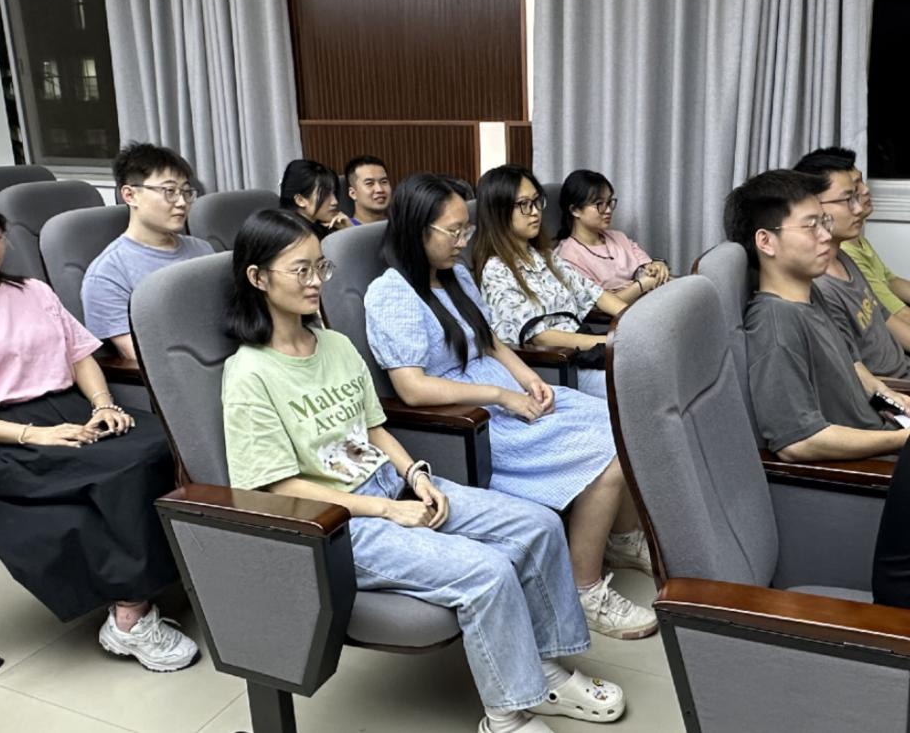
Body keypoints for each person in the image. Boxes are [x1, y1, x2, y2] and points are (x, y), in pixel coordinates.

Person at [221, 208, 627, 732]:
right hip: (339, 524)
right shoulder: (249, 374)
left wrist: (416, 477)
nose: (317, 281)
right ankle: (506, 716)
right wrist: (388, 510)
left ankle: (543, 667)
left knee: (540, 525)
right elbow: (279, 486)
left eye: (321, 266)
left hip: (394, 487)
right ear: (258, 278)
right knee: (488, 572)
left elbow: (374, 430)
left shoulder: (335, 345)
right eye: (301, 270)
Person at [0, 186, 198, 671]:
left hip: (69, 410)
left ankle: (196, 568)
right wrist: (35, 435)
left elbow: (81, 356)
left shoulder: (31, 291)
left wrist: (103, 404)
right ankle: (130, 618)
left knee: (170, 443)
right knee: (125, 468)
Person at [363, 174, 657, 641]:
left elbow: (491, 340)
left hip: (503, 395)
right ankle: (584, 588)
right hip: (472, 419)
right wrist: (502, 396)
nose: (463, 241)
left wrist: (528, 378)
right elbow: (413, 388)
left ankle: (617, 541)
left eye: (466, 229)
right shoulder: (392, 293)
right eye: (453, 231)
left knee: (621, 425)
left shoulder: (455, 275)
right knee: (606, 451)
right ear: (418, 230)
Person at [723, 169, 909, 463]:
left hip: (883, 430)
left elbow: (852, 363)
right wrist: (900, 440)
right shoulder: (776, 324)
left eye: (824, 222)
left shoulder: (810, 293)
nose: (826, 235)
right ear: (766, 242)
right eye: (811, 226)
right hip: (868, 464)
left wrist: (887, 396)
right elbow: (798, 442)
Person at [473, 166, 628, 399]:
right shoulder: (496, 270)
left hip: (586, 350)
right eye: (524, 205)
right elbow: (540, 337)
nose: (535, 212)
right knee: (643, 384)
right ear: (499, 211)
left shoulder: (543, 256)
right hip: (557, 364)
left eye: (537, 202)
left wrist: (634, 323)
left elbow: (595, 293)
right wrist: (608, 343)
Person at [82, 142, 214, 360]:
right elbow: (138, 356)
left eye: (186, 192)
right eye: (169, 191)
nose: (182, 202)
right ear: (130, 195)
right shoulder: (108, 274)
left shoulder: (202, 249)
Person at [790, 153, 910, 378]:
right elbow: (854, 375)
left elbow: (885, 317)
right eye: (847, 200)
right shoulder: (820, 287)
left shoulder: (844, 258)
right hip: (894, 386)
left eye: (856, 197)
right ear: (813, 206)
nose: (858, 209)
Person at [554, 171, 668, 305]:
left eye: (609, 202)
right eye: (599, 204)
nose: (608, 210)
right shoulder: (568, 257)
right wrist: (642, 285)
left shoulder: (619, 238)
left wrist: (658, 266)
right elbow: (599, 305)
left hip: (652, 301)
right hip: (623, 314)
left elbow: (647, 266)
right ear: (575, 210)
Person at [280, 159, 352, 237]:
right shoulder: (295, 237)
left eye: (334, 192)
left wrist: (348, 230)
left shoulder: (323, 227)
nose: (335, 202)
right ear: (300, 200)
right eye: (325, 194)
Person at [344, 155, 392, 225]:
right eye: (369, 183)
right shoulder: (345, 229)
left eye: (384, 182)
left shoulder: (400, 224)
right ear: (353, 193)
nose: (380, 189)